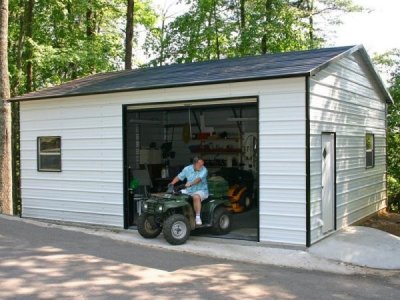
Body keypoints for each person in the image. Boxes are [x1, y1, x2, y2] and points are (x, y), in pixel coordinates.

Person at [169, 157, 208, 225]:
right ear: (194, 164)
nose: (201, 165)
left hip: (201, 190)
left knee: (196, 197)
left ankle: (197, 217)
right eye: (199, 164)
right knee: (175, 194)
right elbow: (179, 177)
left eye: (202, 164)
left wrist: (191, 184)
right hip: (189, 190)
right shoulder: (187, 169)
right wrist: (172, 184)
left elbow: (198, 179)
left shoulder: (204, 170)